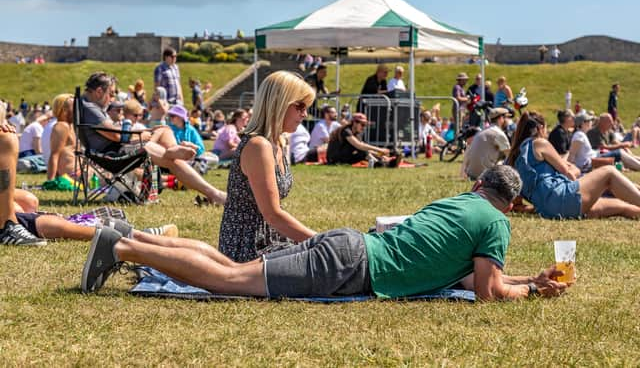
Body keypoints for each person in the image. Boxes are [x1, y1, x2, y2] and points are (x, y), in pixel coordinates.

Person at [81, 165, 570, 301]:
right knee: (228, 282)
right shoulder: (497, 223)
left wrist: (528, 281)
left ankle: (133, 239)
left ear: (480, 185)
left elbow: (468, 278)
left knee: (230, 269)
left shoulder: (457, 203)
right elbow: (486, 290)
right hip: (351, 265)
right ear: (512, 204)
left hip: (349, 245)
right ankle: (122, 247)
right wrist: (532, 292)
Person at [80, 71, 226, 205]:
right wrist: (143, 135)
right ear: (99, 91)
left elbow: (116, 134)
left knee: (164, 129)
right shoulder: (91, 108)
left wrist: (144, 133)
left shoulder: (89, 105)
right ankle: (214, 194)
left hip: (119, 148)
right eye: (111, 94)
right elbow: (118, 136)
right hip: (114, 154)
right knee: (170, 158)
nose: (112, 99)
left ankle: (173, 150)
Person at [218, 71, 318, 262]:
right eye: (300, 106)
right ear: (279, 103)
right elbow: (272, 215)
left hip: (268, 239)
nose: (304, 113)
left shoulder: (278, 142)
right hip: (248, 248)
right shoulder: (258, 146)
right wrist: (320, 241)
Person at [507, 111, 640, 219]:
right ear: (540, 128)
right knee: (609, 172)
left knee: (624, 207)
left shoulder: (512, 159)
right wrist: (574, 169)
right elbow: (570, 174)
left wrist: (540, 206)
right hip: (563, 198)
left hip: (550, 209)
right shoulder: (538, 143)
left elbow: (517, 204)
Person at [462, 108, 512, 180]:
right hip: (486, 176)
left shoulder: (482, 131)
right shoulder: (498, 133)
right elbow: (509, 156)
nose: (509, 121)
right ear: (501, 118)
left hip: (471, 174)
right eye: (507, 118)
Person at [44, 94, 76, 181]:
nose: (77, 110)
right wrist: (51, 180)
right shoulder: (62, 126)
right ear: (64, 110)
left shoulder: (71, 126)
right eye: (74, 107)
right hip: (71, 175)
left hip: (76, 171)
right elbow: (54, 155)